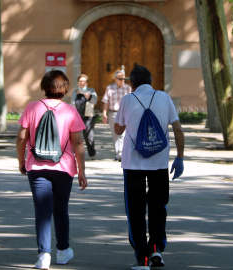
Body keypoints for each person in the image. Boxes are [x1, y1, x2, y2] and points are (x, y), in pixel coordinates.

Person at [114, 66, 185, 270]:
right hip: (159, 163)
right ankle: (156, 249)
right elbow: (178, 129)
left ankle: (142, 256)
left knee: (135, 210)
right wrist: (179, 157)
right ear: (152, 81)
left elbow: (118, 129)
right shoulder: (164, 97)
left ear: (131, 83)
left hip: (132, 163)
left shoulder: (127, 100)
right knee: (158, 207)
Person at [16, 70, 88, 270]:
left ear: (44, 87)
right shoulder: (70, 111)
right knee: (60, 208)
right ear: (64, 89)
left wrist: (21, 160)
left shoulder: (32, 107)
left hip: (36, 166)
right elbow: (78, 143)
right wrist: (81, 171)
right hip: (64, 168)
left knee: (42, 211)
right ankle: (63, 251)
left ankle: (44, 255)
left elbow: (22, 137)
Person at [101, 70, 132, 161]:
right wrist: (104, 114)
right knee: (115, 134)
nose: (122, 80)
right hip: (113, 113)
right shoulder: (110, 88)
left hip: (126, 113)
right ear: (115, 79)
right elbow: (106, 101)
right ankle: (118, 153)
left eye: (124, 79)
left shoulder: (128, 88)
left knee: (124, 134)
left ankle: (122, 153)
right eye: (120, 79)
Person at [71, 74, 98, 160]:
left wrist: (87, 95)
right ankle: (76, 154)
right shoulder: (75, 92)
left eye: (83, 81)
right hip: (77, 117)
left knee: (89, 137)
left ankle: (92, 154)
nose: (82, 83)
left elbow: (94, 101)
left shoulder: (91, 90)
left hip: (88, 117)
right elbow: (72, 103)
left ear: (87, 82)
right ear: (78, 82)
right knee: (76, 137)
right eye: (80, 81)